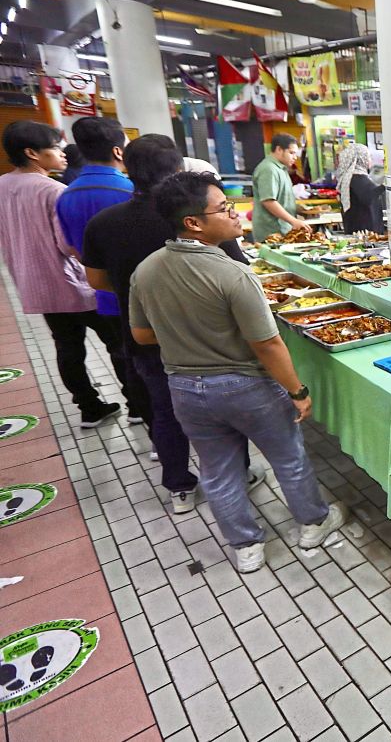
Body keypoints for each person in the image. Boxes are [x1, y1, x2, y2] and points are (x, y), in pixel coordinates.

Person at [128, 171, 345, 572]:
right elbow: (266, 343)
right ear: (194, 222)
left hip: (185, 388)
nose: (234, 215)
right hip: (246, 387)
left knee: (217, 469)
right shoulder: (232, 273)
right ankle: (314, 523)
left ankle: (246, 547)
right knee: (288, 457)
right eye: (224, 209)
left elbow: (141, 335)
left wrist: (186, 332)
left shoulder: (146, 270)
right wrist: (297, 391)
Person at [82, 135, 252, 514]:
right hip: (211, 341)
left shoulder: (104, 223)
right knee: (224, 415)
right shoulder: (199, 221)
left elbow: (97, 281)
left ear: (126, 167)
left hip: (145, 336)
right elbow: (239, 271)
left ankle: (179, 487)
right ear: (178, 170)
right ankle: (237, 476)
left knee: (164, 410)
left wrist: (138, 289)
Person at [0, 120, 123, 428]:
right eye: (54, 147)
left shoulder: (2, 186)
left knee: (67, 347)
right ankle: (136, 403)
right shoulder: (54, 190)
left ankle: (89, 408)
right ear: (31, 153)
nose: (63, 153)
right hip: (74, 284)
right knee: (117, 343)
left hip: (34, 284)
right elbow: (69, 246)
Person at [55, 116, 149, 425]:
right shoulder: (132, 192)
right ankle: (148, 413)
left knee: (120, 352)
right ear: (119, 151)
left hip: (105, 293)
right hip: (146, 296)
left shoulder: (65, 195)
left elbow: (74, 250)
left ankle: (136, 409)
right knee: (148, 358)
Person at [251, 133, 307, 242]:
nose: (295, 157)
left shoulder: (281, 169)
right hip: (271, 230)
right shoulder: (269, 169)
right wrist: (293, 221)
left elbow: (281, 200)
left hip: (283, 228)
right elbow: (268, 201)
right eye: (291, 153)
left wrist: (301, 210)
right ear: (279, 149)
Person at [334, 142, 385, 233]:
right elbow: (367, 197)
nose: (370, 160)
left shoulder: (351, 177)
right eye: (368, 156)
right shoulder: (357, 178)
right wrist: (384, 186)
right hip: (364, 231)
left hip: (357, 227)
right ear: (360, 158)